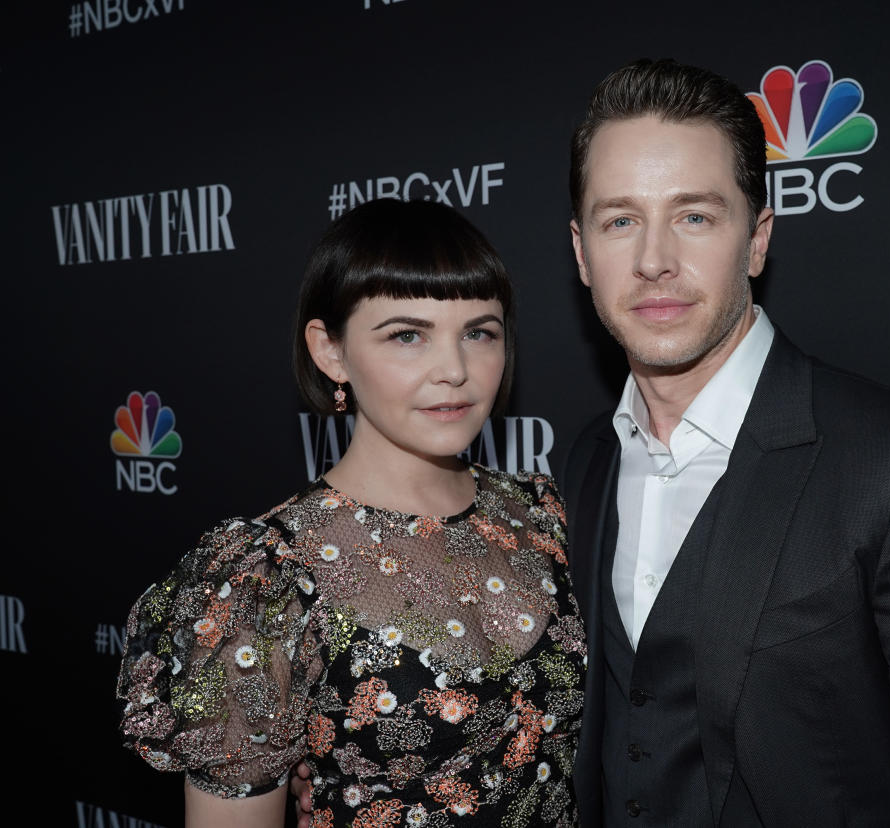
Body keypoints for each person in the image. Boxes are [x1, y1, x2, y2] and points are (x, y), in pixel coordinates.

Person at [559, 59, 890, 826]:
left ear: (758, 238)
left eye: (695, 216)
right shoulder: (582, 464)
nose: (653, 259)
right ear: (581, 253)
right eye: (620, 220)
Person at [117, 198, 585, 828]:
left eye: (479, 332)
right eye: (407, 335)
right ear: (331, 351)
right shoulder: (264, 577)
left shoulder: (546, 512)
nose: (455, 370)